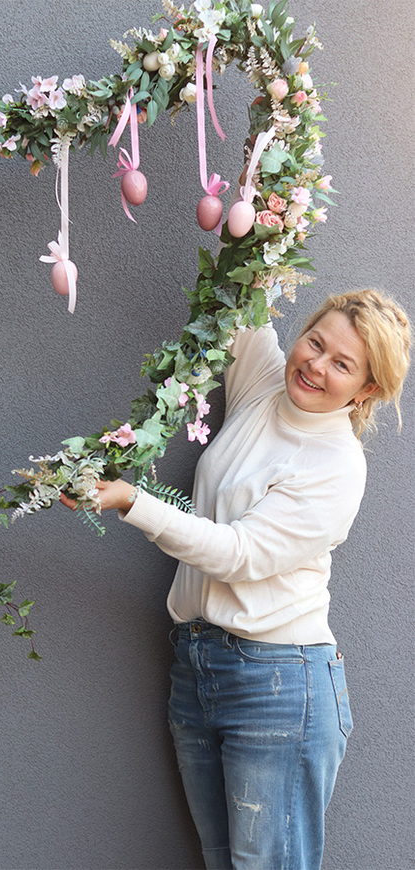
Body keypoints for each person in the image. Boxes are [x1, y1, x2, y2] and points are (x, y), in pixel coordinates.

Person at [61, 288, 411, 870]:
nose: (316, 366)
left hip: (277, 685)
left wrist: (132, 502)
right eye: (315, 342)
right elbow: (240, 288)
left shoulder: (339, 467)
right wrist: (256, 206)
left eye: (342, 364)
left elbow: (239, 553)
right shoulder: (264, 383)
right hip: (197, 665)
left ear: (366, 389)